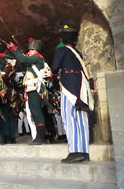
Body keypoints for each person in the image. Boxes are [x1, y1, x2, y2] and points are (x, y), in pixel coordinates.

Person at [51, 23, 94, 163]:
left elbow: (54, 67)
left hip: (69, 87)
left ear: (62, 39)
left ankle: (75, 151)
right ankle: (84, 151)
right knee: (82, 119)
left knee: (69, 118)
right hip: (81, 88)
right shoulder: (77, 53)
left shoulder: (61, 50)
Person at [7, 38, 47, 145]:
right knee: (33, 112)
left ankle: (40, 138)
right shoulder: (33, 60)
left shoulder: (37, 57)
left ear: (35, 50)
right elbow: (22, 62)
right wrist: (18, 54)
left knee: (36, 112)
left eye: (30, 50)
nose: (28, 52)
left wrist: (14, 50)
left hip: (35, 88)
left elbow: (24, 60)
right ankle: (38, 137)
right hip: (31, 88)